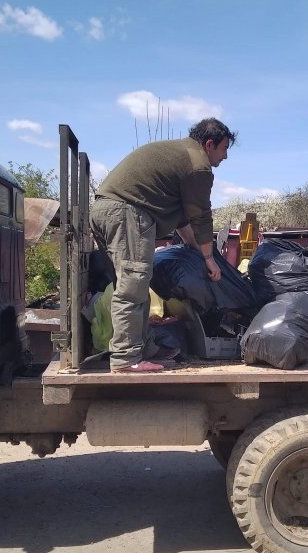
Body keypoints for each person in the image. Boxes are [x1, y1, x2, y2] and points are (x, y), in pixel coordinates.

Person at [90, 118, 236, 373]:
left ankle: (144, 347)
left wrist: (202, 253)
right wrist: (210, 260)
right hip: (126, 212)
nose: (225, 156)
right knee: (133, 286)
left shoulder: (179, 156)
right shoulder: (197, 164)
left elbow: (184, 223)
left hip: (109, 210)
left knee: (136, 284)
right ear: (210, 144)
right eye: (224, 149)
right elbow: (200, 216)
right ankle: (126, 359)